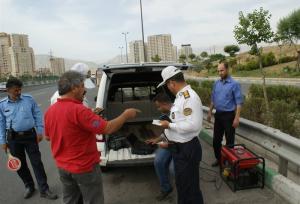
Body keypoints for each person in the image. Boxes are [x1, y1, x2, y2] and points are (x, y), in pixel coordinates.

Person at [44, 71, 139, 204]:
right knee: (93, 200)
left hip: (63, 168)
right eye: (83, 86)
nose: (85, 89)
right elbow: (108, 128)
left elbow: (48, 137)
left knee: (71, 200)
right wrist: (126, 115)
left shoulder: (50, 111)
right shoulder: (79, 110)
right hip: (84, 168)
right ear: (74, 88)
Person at [0, 77, 58, 200]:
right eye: (16, 90)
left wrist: (40, 131)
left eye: (20, 90)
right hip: (13, 139)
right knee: (20, 165)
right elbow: (1, 124)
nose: (19, 92)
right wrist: (3, 141)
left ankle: (44, 189)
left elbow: (37, 114)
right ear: (8, 90)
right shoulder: (2, 105)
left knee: (37, 163)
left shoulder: (28, 100)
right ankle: (29, 186)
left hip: (30, 136)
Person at [158, 66, 204, 204]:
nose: (168, 88)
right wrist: (167, 131)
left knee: (190, 189)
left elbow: (193, 125)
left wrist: (169, 125)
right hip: (179, 149)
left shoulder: (189, 97)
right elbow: (180, 121)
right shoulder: (180, 97)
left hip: (187, 150)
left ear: (172, 83)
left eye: (167, 85)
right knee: (183, 187)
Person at [207, 61, 243, 167]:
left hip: (229, 116)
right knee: (216, 141)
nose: (220, 73)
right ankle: (219, 159)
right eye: (218, 71)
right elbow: (213, 99)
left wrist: (237, 118)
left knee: (229, 141)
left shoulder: (234, 84)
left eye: (222, 70)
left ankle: (228, 162)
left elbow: (239, 102)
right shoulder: (216, 84)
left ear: (227, 70)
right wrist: (209, 112)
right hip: (218, 115)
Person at [146, 93, 174, 201]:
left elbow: (184, 135)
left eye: (159, 106)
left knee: (173, 169)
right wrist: (157, 140)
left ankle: (185, 191)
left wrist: (169, 144)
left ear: (166, 104)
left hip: (180, 146)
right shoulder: (165, 115)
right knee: (158, 161)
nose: (158, 109)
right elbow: (166, 132)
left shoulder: (178, 112)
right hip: (168, 143)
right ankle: (166, 188)